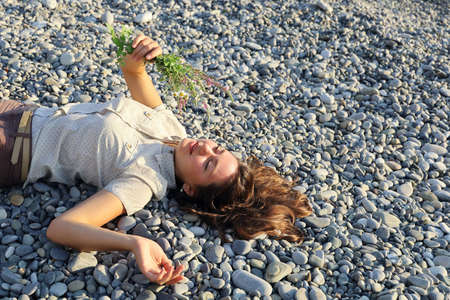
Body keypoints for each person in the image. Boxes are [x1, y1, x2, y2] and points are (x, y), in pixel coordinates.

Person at [0, 35, 312, 286]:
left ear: (190, 189)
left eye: (208, 164)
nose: (204, 148)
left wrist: (135, 244)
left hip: (12, 149)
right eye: (216, 149)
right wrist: (142, 52)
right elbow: (133, 71)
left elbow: (62, 228)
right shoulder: (174, 131)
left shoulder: (143, 182)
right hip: (21, 110)